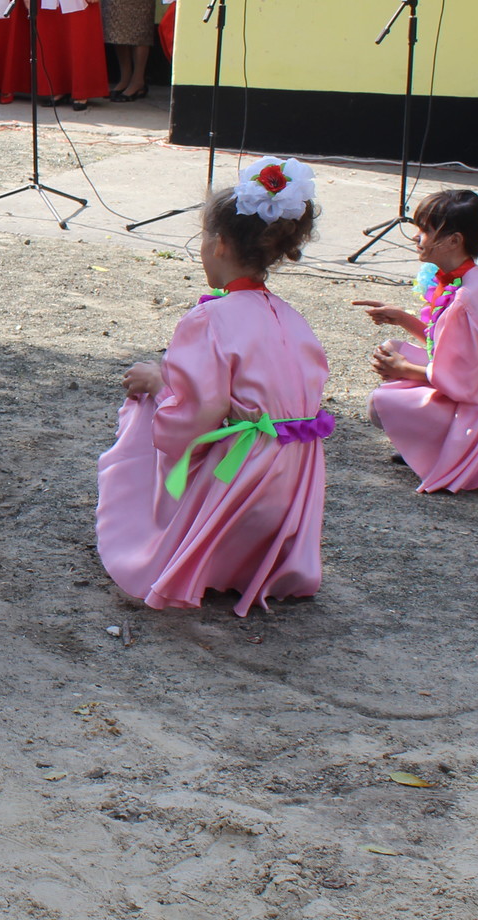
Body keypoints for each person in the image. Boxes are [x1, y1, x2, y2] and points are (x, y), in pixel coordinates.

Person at [96, 158, 329, 616]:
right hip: (290, 493)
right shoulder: (293, 318)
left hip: (240, 487)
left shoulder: (210, 318)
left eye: (203, 237)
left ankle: (169, 541)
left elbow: (193, 415)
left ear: (220, 244)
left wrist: (158, 382)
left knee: (146, 408)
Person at [356, 190, 478, 493]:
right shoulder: (470, 278)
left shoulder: (465, 297)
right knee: (392, 348)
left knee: (380, 403)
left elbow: (466, 381)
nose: (417, 237)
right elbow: (447, 344)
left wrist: (404, 370)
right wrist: (401, 318)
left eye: (425, 230)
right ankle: (464, 445)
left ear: (454, 240)